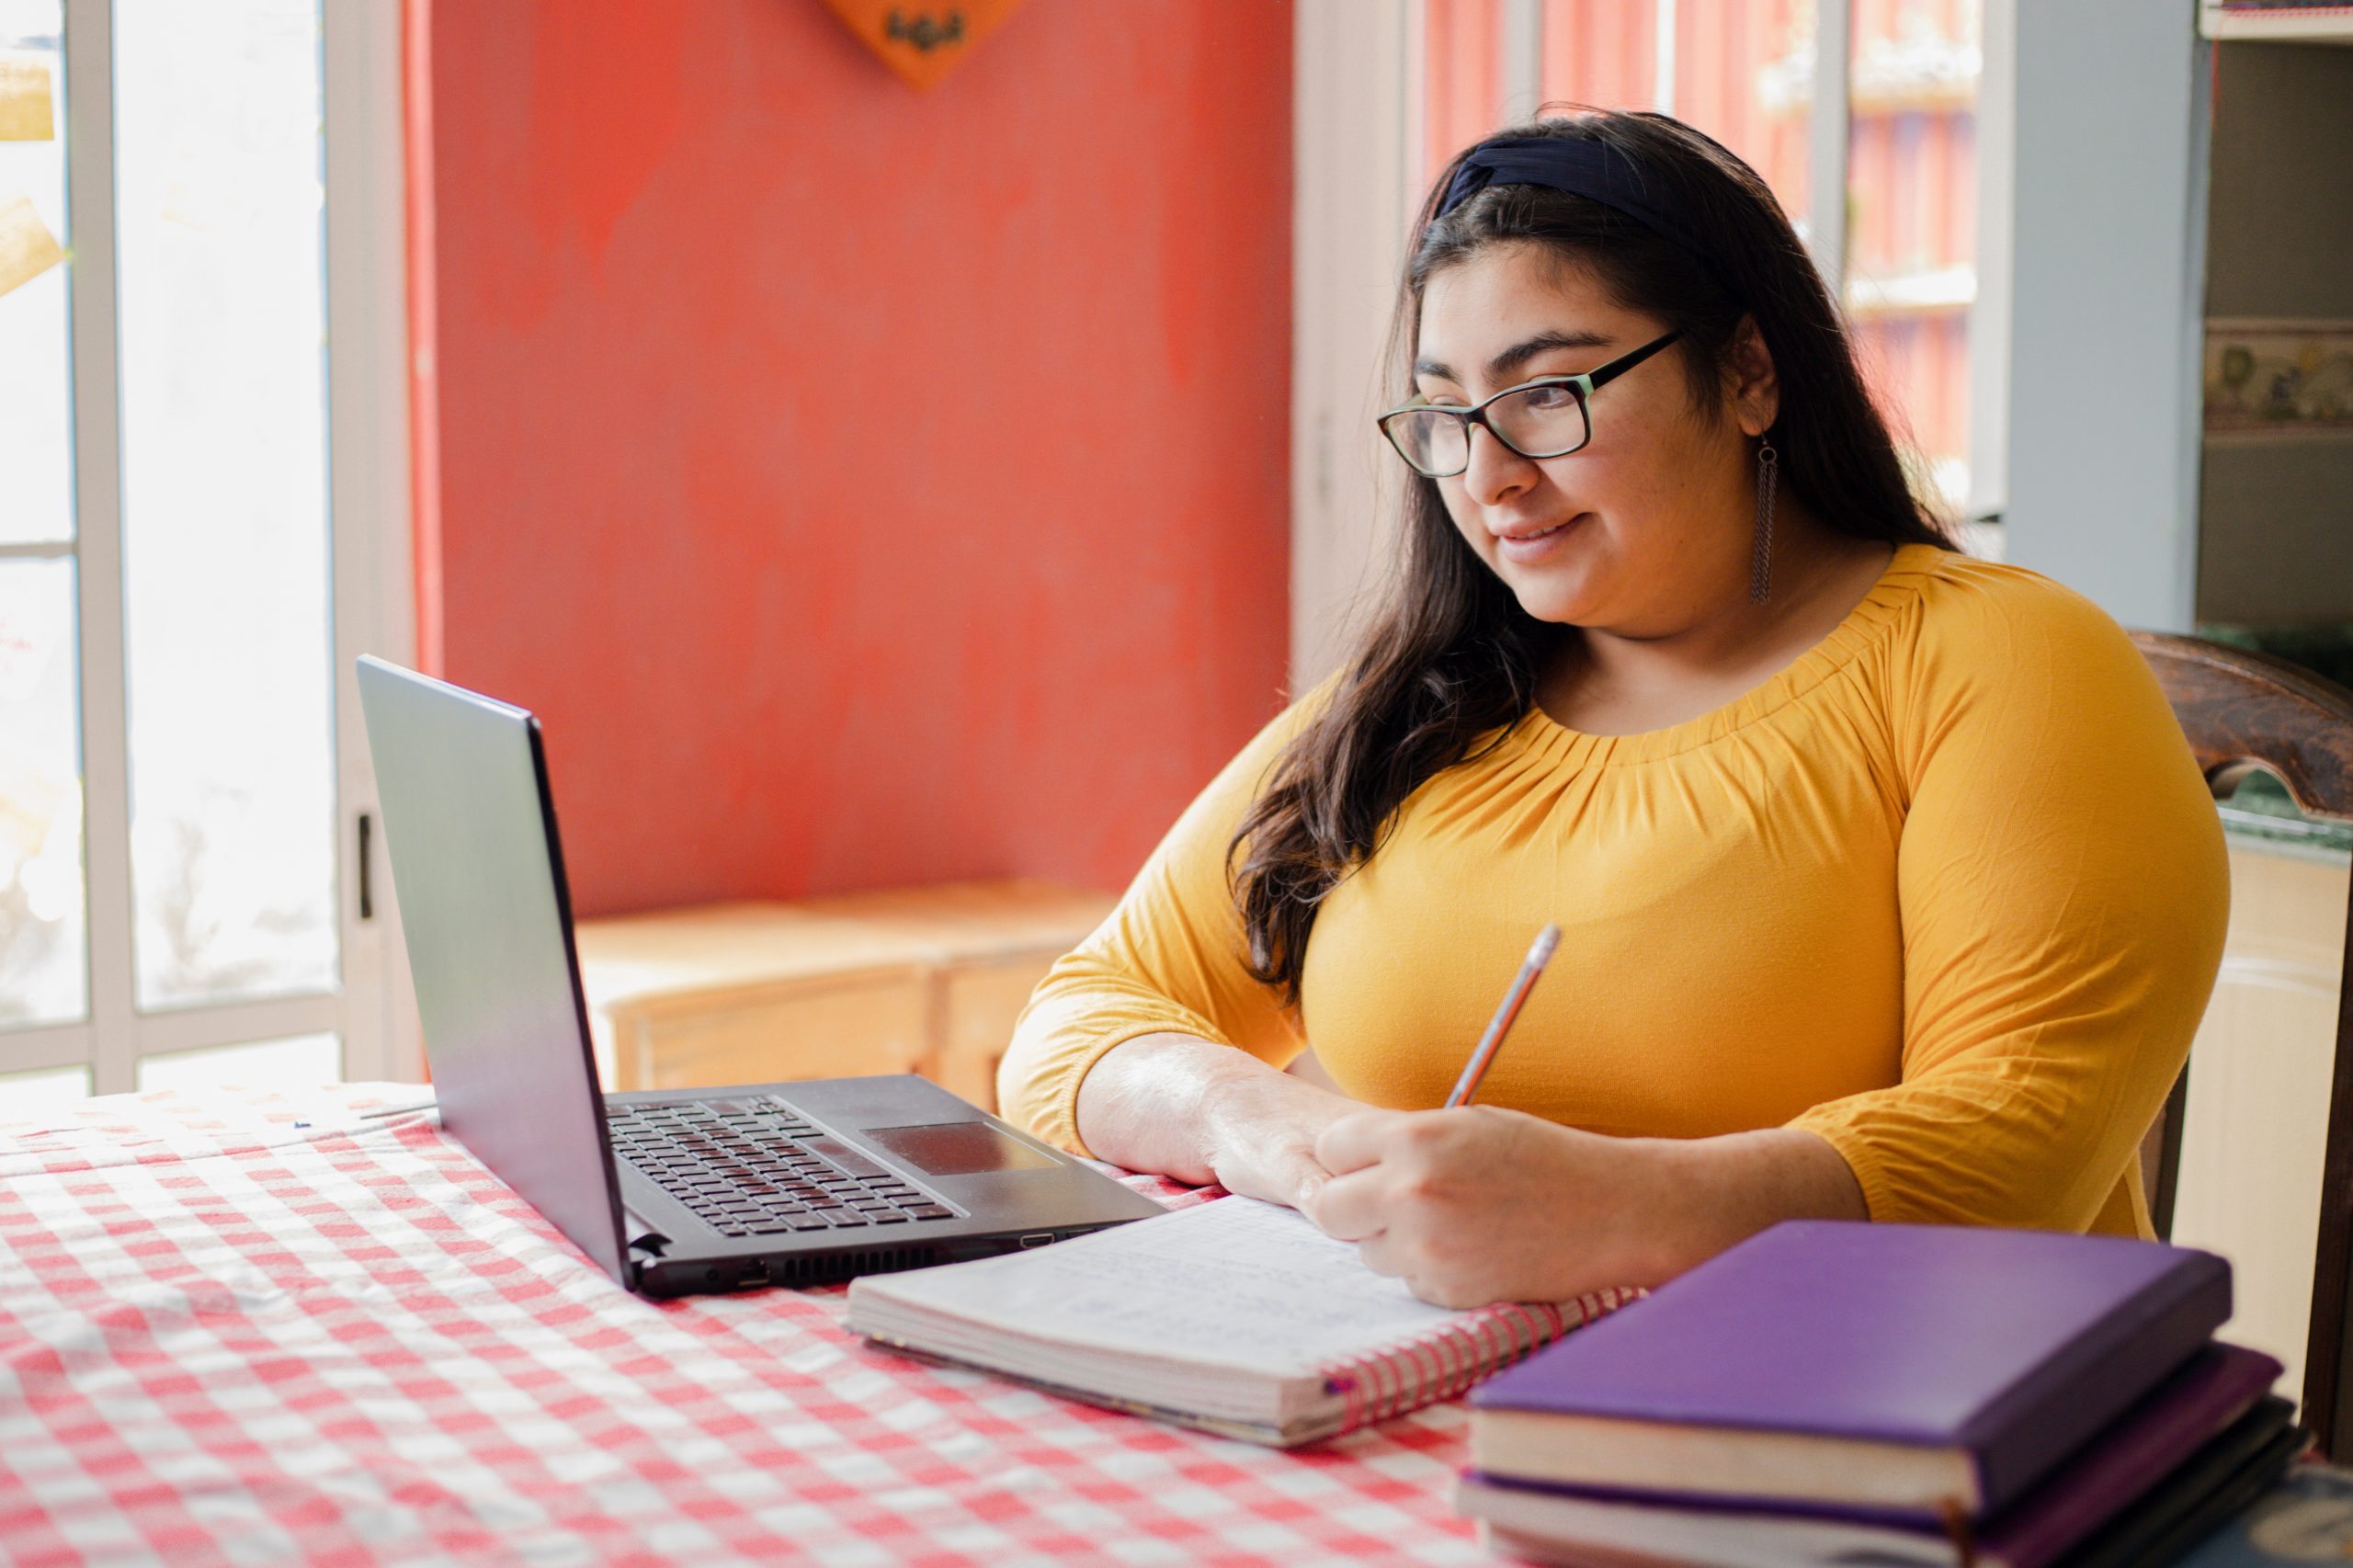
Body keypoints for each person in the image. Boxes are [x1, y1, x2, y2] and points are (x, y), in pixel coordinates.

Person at [995, 110, 2229, 1309]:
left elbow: (2017, 1142)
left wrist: (1608, 1208)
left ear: (1748, 372)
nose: (1490, 477)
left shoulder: (2005, 662)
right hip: (1415, 1427)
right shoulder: (1415, 708)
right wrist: (1284, 1130)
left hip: (1899, 1451)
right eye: (1450, 413)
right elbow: (1074, 1028)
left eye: (1548, 392)